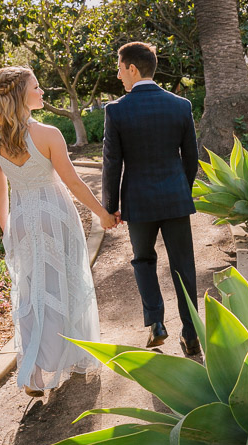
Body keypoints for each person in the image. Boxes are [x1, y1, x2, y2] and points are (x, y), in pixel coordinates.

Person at [0, 66, 118, 397]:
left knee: (31, 291)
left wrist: (7, 231)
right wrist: (102, 213)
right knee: (65, 282)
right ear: (21, 94)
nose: (42, 92)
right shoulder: (49, 133)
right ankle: (70, 353)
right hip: (56, 216)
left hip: (23, 220)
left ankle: (33, 374)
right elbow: (72, 182)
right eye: (37, 87)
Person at [101, 41, 202, 357]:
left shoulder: (116, 110)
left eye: (120, 69)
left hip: (139, 202)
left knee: (143, 260)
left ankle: (156, 324)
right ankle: (191, 335)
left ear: (132, 68)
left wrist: (111, 205)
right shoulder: (180, 105)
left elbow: (112, 162)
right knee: (183, 266)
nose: (119, 76)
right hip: (175, 199)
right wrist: (179, 190)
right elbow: (192, 158)